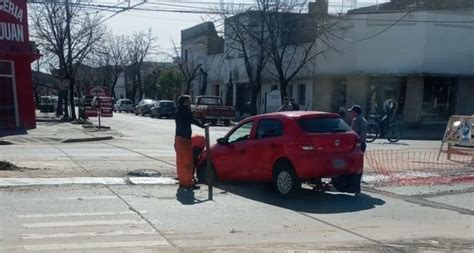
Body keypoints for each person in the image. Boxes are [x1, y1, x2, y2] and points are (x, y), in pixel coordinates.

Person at [175, 95, 205, 190]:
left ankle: (182, 182)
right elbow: (192, 120)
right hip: (185, 139)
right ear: (185, 102)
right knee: (188, 162)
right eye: (189, 100)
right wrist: (202, 125)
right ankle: (188, 183)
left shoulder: (177, 110)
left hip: (178, 138)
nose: (190, 102)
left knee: (180, 162)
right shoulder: (186, 111)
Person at [348, 105, 368, 193]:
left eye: (352, 112)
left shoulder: (356, 120)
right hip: (363, 144)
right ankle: (357, 187)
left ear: (355, 112)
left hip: (357, 145)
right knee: (359, 166)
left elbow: (354, 134)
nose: (351, 113)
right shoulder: (364, 120)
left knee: (353, 166)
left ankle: (354, 186)